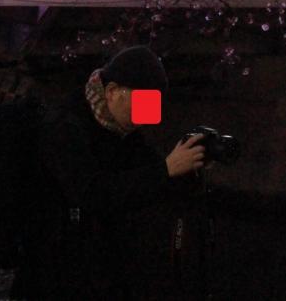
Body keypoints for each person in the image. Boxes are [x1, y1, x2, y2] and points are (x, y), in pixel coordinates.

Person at [12, 46, 206, 300]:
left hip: (97, 264)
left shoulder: (119, 127)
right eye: (143, 102)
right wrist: (166, 169)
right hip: (54, 269)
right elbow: (92, 194)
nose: (146, 115)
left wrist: (188, 168)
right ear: (112, 91)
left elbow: (146, 174)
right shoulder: (64, 127)